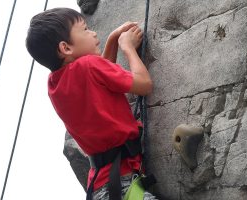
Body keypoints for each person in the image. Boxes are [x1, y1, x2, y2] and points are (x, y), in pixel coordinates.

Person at [26, 7, 156, 200]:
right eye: (85, 30)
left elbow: (100, 81)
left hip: (100, 186)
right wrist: (128, 48)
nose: (93, 32)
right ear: (66, 48)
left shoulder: (54, 84)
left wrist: (112, 39)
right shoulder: (89, 66)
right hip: (122, 183)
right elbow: (144, 85)